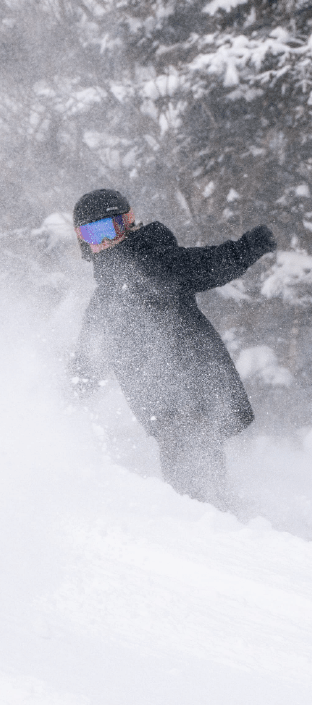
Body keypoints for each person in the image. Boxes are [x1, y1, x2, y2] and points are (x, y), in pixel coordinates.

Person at [70, 188, 276, 507]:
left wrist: (251, 245)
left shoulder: (157, 263)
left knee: (195, 468)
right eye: (91, 233)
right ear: (83, 241)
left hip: (193, 392)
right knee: (185, 471)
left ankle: (215, 525)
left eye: (107, 229)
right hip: (160, 408)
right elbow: (89, 354)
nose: (102, 241)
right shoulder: (104, 301)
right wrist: (70, 388)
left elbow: (211, 264)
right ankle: (213, 521)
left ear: (126, 224)